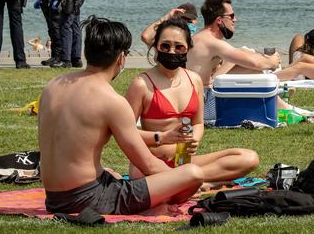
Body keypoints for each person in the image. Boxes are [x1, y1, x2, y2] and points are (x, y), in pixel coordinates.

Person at [38, 15, 203, 215]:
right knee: (193, 174)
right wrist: (179, 181)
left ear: (87, 52)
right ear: (121, 58)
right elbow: (148, 165)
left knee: (112, 175)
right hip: (88, 199)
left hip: (53, 199)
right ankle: (148, 209)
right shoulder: (112, 101)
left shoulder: (52, 86)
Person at [126, 17, 259, 186]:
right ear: (155, 47)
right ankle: (198, 182)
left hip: (184, 160)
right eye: (165, 46)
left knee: (249, 158)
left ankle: (191, 180)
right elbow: (125, 133)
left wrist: (194, 139)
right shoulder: (142, 84)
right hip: (151, 163)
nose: (172, 51)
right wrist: (163, 137)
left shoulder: (194, 80)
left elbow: (198, 123)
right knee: (142, 174)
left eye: (179, 46)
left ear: (187, 48)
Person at [186, 0, 280, 122]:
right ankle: (286, 108)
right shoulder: (212, 43)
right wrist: (272, 61)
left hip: (195, 99)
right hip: (202, 106)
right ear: (219, 20)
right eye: (231, 16)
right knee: (255, 72)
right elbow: (255, 63)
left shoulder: (201, 37)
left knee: (245, 60)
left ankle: (283, 106)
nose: (235, 19)